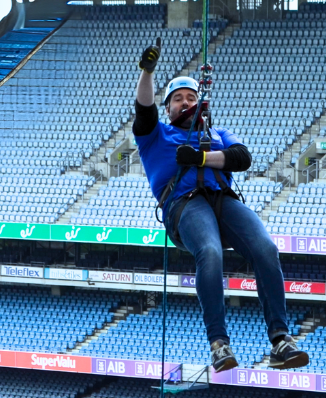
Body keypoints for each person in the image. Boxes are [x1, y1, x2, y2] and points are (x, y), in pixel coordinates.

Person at [132, 43, 309, 372]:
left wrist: (201, 157)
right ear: (168, 108)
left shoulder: (217, 134)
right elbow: (143, 110)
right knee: (210, 252)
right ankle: (218, 342)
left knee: (266, 249)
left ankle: (280, 338)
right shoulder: (156, 136)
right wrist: (148, 71)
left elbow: (242, 158)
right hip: (184, 205)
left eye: (191, 97)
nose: (186, 102)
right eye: (178, 98)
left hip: (222, 200)